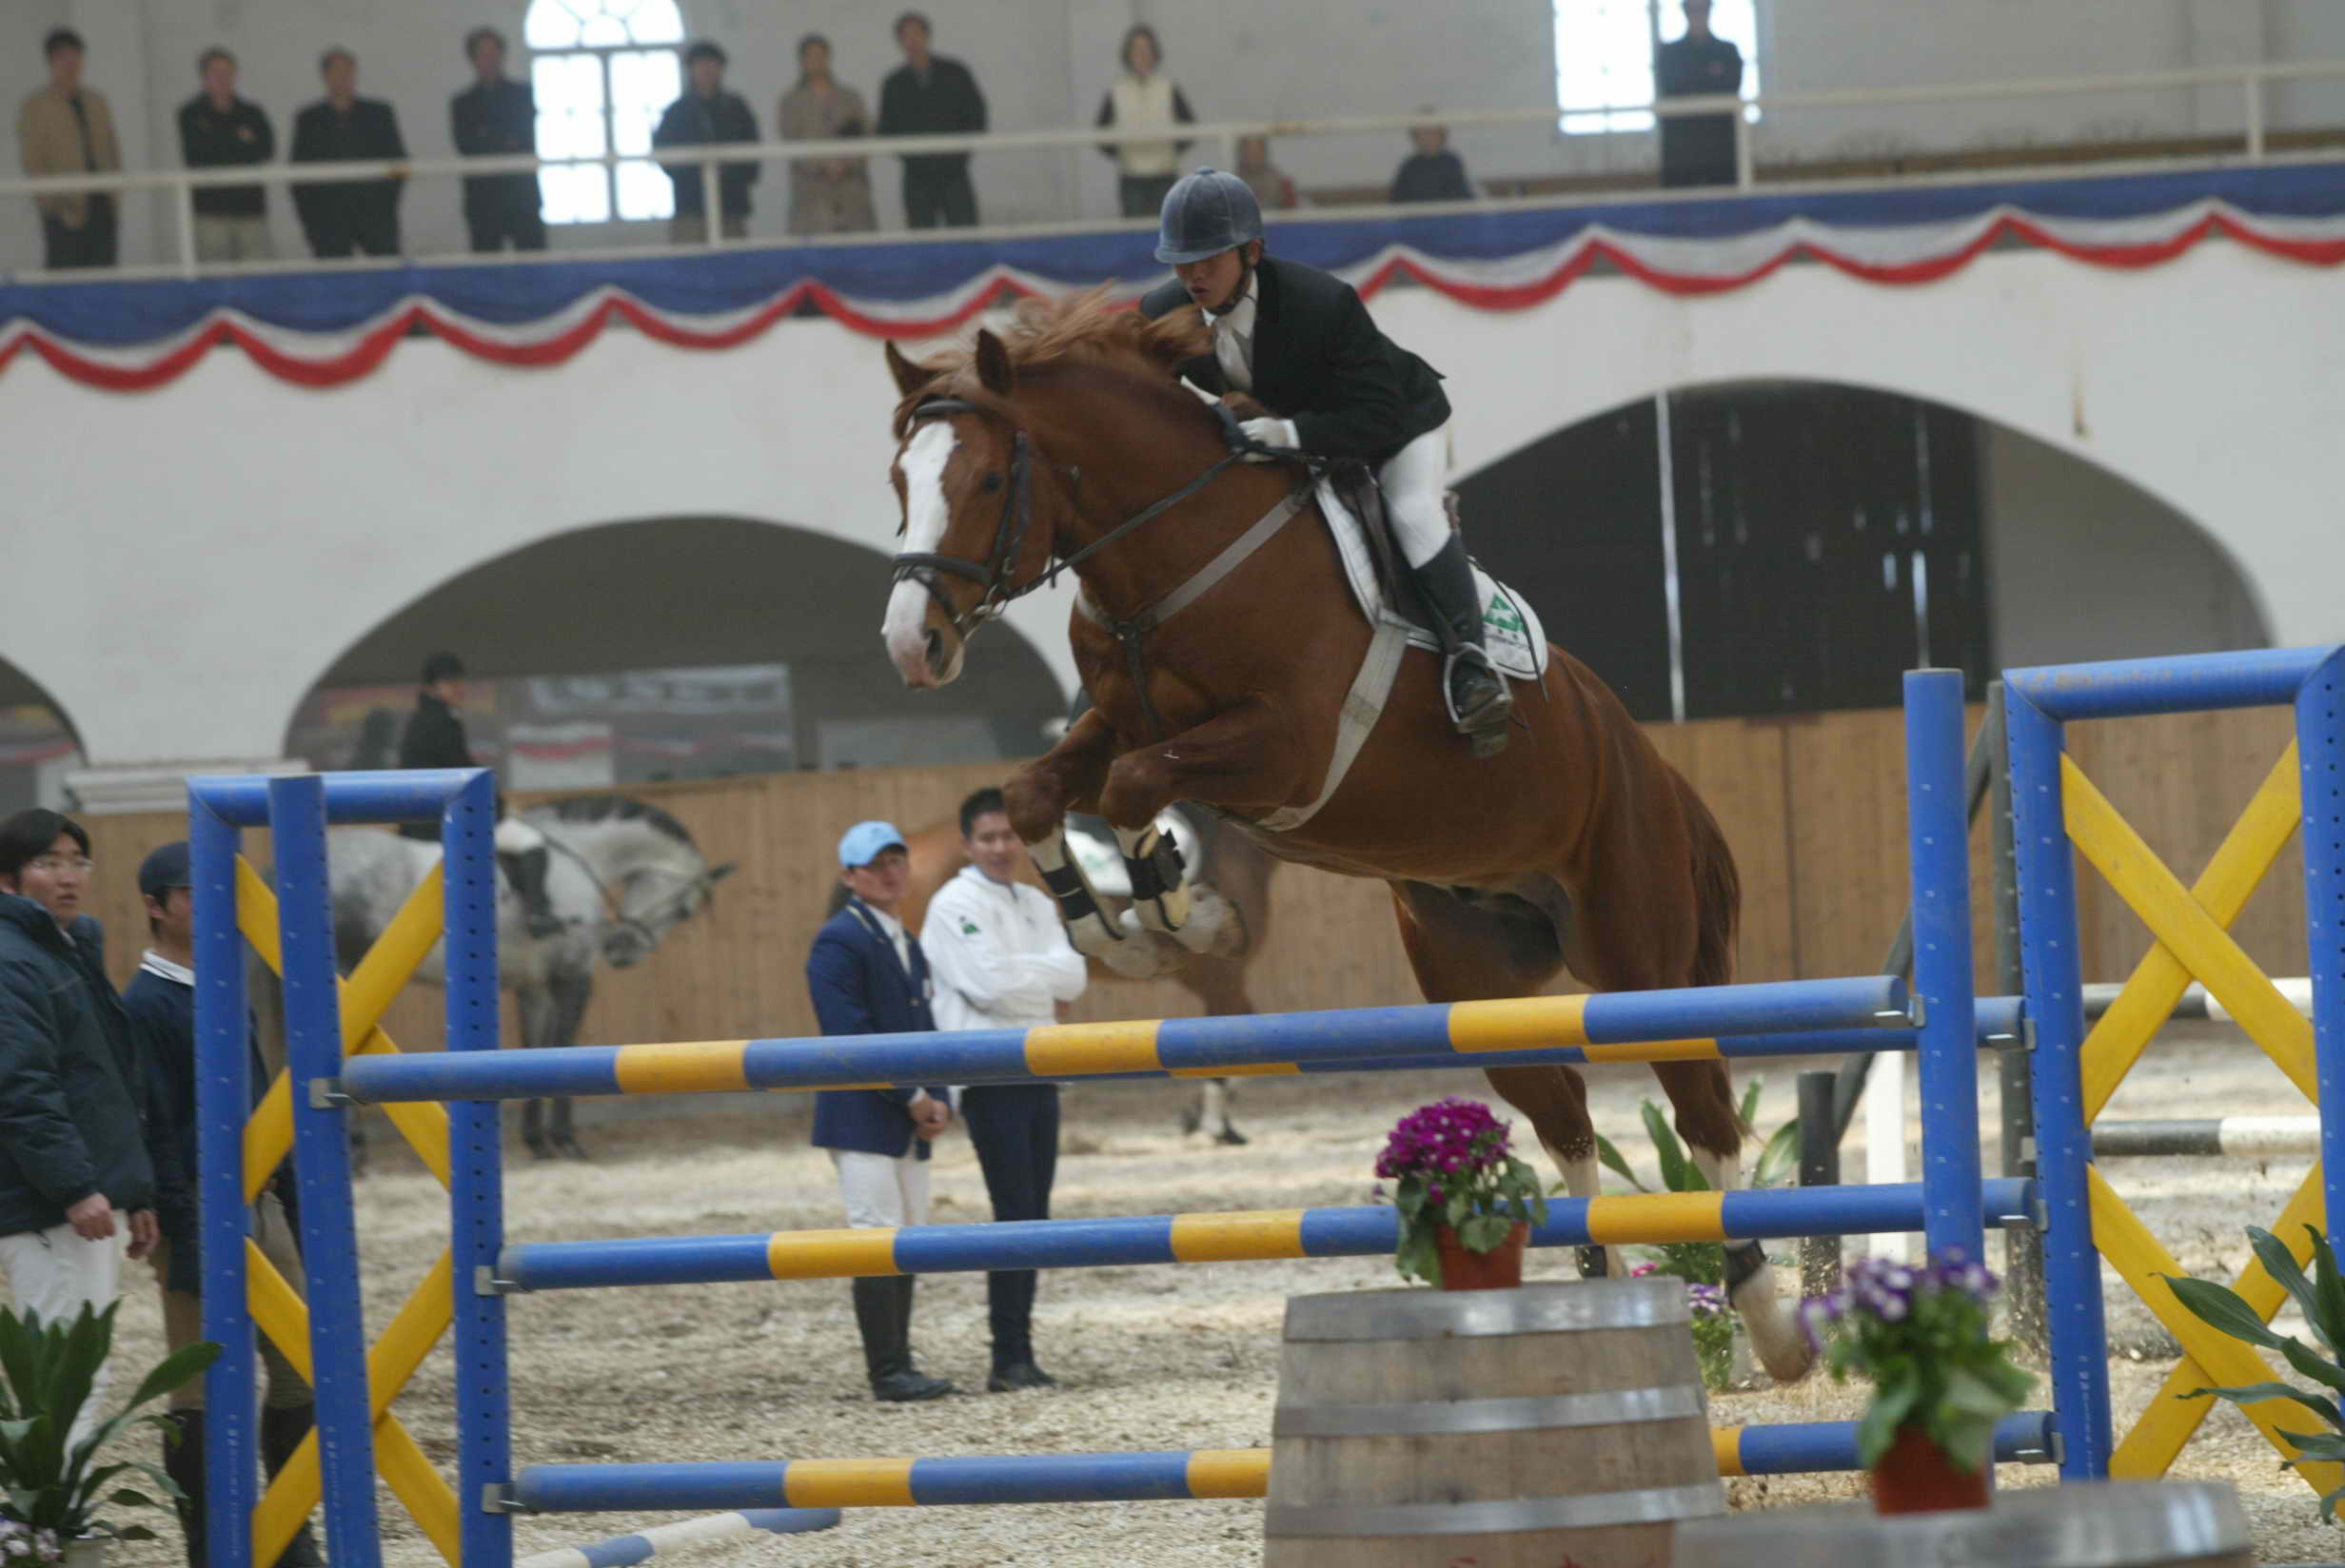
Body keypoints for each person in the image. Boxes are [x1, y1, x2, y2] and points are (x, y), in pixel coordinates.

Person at [1139, 167, 1512, 754]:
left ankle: (1471, 670)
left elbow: (1378, 417)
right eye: (1182, 260)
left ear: (1253, 251)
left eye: (1208, 259)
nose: (1193, 275)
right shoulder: (1164, 313)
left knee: (1411, 513)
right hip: (1286, 434)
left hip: (1395, 426)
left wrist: (1287, 432)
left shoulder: (1323, 302)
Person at [124, 843, 323, 1568]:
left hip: (262, 1201)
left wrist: (290, 1202)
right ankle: (208, 1548)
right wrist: (184, 1226)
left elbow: (265, 1099)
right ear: (154, 906)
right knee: (199, 1393)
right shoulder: (144, 1003)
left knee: (303, 1373)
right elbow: (158, 1122)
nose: (210, 906)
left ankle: (291, 1531)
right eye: (189, 893)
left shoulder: (223, 986)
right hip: (195, 1207)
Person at [0, 810, 167, 1451]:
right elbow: (22, 1088)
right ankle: (53, 1539)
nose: (67, 877)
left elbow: (105, 1084)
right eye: (48, 863)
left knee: (81, 1372)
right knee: (64, 1380)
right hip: (50, 1204)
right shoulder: (14, 959)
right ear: (9, 880)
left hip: (86, 1196)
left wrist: (135, 1190)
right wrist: (76, 1185)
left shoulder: (66, 947)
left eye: (78, 862)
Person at [919, 789, 1086, 1392]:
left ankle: (1020, 1349)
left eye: (1008, 836)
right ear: (968, 845)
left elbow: (1079, 974)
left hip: (1040, 1070)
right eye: (987, 838)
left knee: (1034, 1216)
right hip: (991, 1076)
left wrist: (1033, 980)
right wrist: (1045, 982)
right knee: (1013, 1214)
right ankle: (1007, 1354)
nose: (999, 847)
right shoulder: (952, 904)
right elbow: (987, 986)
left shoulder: (1037, 903)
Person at [807, 822, 956, 1402]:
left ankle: (900, 1360)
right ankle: (886, 1368)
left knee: (909, 1236)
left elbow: (925, 1029)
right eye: (878, 864)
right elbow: (848, 1032)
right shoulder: (839, 941)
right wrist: (916, 1097)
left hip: (905, 1113)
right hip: (862, 1115)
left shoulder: (902, 938)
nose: (892, 871)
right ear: (850, 876)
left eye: (898, 860)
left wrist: (938, 1094)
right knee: (875, 1235)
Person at [395, 652, 562, 939]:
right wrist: (499, 808)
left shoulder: (422, 720)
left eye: (459, 681)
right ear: (432, 687)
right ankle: (537, 913)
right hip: (441, 822)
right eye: (450, 683)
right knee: (531, 841)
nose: (459, 688)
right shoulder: (441, 722)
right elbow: (464, 773)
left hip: (419, 821)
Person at [17, 28, 121, 270]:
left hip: (102, 206)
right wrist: (52, 205)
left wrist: (115, 194)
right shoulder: (35, 106)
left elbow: (112, 150)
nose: (71, 64)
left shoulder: (97, 102)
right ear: (51, 62)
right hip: (64, 210)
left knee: (104, 277)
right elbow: (33, 161)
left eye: (76, 57)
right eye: (64, 58)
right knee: (65, 281)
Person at [290, 49, 407, 259]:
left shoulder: (379, 113)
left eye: (348, 71)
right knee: (334, 284)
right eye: (337, 72)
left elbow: (398, 161)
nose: (343, 78)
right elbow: (298, 174)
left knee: (385, 280)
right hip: (328, 220)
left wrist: (385, 205)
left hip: (376, 217)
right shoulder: (308, 119)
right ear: (325, 76)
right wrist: (311, 219)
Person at [877, 11, 985, 229]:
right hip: (916, 177)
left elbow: (977, 115)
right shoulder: (893, 83)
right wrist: (912, 157)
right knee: (922, 242)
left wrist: (959, 153)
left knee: (966, 238)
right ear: (899, 42)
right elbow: (886, 128)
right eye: (906, 36)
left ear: (927, 36)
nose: (913, 40)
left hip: (955, 172)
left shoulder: (955, 73)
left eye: (917, 33)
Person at [652, 40, 759, 244]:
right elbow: (664, 155)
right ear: (691, 69)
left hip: (730, 207)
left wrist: (730, 173)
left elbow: (752, 152)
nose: (707, 70)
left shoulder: (736, 108)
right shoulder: (677, 111)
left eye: (712, 64)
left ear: (721, 69)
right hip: (690, 207)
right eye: (701, 64)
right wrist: (695, 173)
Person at [451, 26, 545, 253]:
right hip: (483, 201)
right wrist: (504, 139)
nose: (489, 60)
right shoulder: (462, 103)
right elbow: (467, 147)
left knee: (533, 266)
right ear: (472, 59)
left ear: (502, 56)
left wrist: (487, 136)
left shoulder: (523, 95)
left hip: (523, 196)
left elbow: (525, 139)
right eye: (482, 54)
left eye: (493, 53)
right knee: (487, 272)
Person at [177, 48, 275, 264]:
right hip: (209, 214)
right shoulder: (190, 114)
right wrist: (240, 139)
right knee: (215, 284)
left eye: (228, 72)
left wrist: (216, 138)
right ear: (204, 76)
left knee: (257, 281)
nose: (223, 78)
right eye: (216, 72)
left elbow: (266, 150)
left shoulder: (253, 112)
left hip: (251, 212)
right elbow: (196, 154)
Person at [1094, 25, 1194, 220]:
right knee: (1134, 235)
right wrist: (1123, 154)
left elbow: (1190, 126)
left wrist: (1170, 152)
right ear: (1128, 54)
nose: (1142, 55)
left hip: (1165, 175)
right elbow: (1100, 133)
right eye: (1136, 50)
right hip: (1131, 178)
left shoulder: (1169, 87)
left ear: (1155, 53)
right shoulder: (1116, 90)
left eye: (1146, 49)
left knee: (1168, 234)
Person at [778, 33, 875, 235]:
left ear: (829, 58)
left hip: (852, 191)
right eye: (810, 56)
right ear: (802, 62)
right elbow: (790, 141)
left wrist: (845, 164)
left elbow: (865, 135)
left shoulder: (851, 97)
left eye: (820, 55)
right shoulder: (790, 102)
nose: (816, 61)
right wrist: (823, 165)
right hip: (812, 194)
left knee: (858, 256)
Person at [1656, 0, 1744, 188]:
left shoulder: (1727, 51)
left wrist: (1692, 80)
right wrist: (1708, 77)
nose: (1698, 15)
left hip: (1720, 149)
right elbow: (1671, 87)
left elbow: (1730, 86)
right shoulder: (1670, 53)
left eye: (1703, 9)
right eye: (1693, 9)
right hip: (1681, 151)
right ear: (1685, 12)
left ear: (1710, 10)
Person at [1389, 121, 1474, 204]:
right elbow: (1397, 199)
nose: (1428, 138)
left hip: (1447, 214)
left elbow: (1460, 196)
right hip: (1416, 215)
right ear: (1415, 137)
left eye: (1433, 133)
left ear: (1442, 135)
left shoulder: (1451, 161)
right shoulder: (1409, 165)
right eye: (1423, 133)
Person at [1234, 133, 1297, 213]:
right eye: (1248, 151)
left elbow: (1291, 214)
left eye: (1257, 150)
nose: (1253, 155)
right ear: (1241, 153)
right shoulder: (1232, 183)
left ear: (1264, 152)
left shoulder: (1279, 181)